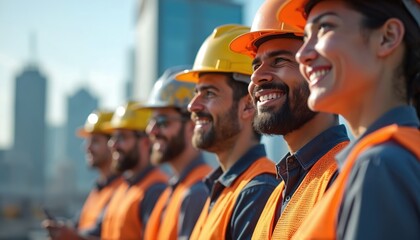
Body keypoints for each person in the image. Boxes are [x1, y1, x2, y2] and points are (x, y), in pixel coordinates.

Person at [277, 0, 420, 239]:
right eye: (305, 38)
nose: (302, 55)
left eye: (324, 28)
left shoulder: (379, 165)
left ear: (387, 37)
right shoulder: (395, 157)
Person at [229, 0, 350, 239]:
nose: (257, 77)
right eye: (256, 65)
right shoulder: (278, 191)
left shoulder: (347, 176)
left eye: (279, 61)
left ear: (318, 67)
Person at [175, 24, 279, 240]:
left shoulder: (256, 190)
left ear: (248, 106)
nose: (193, 106)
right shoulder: (224, 187)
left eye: (209, 93)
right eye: (196, 93)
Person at [142, 66, 213, 240]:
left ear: (191, 125)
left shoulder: (197, 193)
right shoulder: (175, 189)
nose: (152, 130)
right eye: (152, 121)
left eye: (162, 122)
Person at [43, 110, 123, 240]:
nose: (87, 148)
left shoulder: (121, 190)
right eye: (88, 141)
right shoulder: (98, 189)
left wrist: (71, 236)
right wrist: (63, 229)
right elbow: (80, 225)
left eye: (95, 141)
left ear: (112, 143)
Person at [102, 101, 168, 240]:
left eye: (122, 137)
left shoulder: (156, 190)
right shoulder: (123, 187)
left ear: (145, 142)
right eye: (114, 137)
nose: (113, 144)